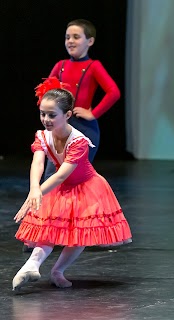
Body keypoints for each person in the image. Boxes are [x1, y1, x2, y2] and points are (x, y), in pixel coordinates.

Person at [12, 78, 131, 291]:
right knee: (49, 227)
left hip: (87, 187)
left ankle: (58, 270)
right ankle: (31, 265)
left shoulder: (79, 141)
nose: (46, 119)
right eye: (42, 114)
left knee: (79, 233)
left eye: (52, 115)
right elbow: (38, 163)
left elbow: (60, 175)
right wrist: (33, 189)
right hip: (62, 188)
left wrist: (38, 193)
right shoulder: (42, 136)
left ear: (67, 115)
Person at [45, 18, 120, 176]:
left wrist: (93, 114)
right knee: (51, 176)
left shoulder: (93, 66)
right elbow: (45, 94)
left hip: (84, 129)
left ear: (90, 41)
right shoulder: (61, 66)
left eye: (76, 37)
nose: (70, 41)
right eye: (67, 37)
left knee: (76, 177)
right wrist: (49, 116)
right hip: (60, 127)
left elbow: (114, 92)